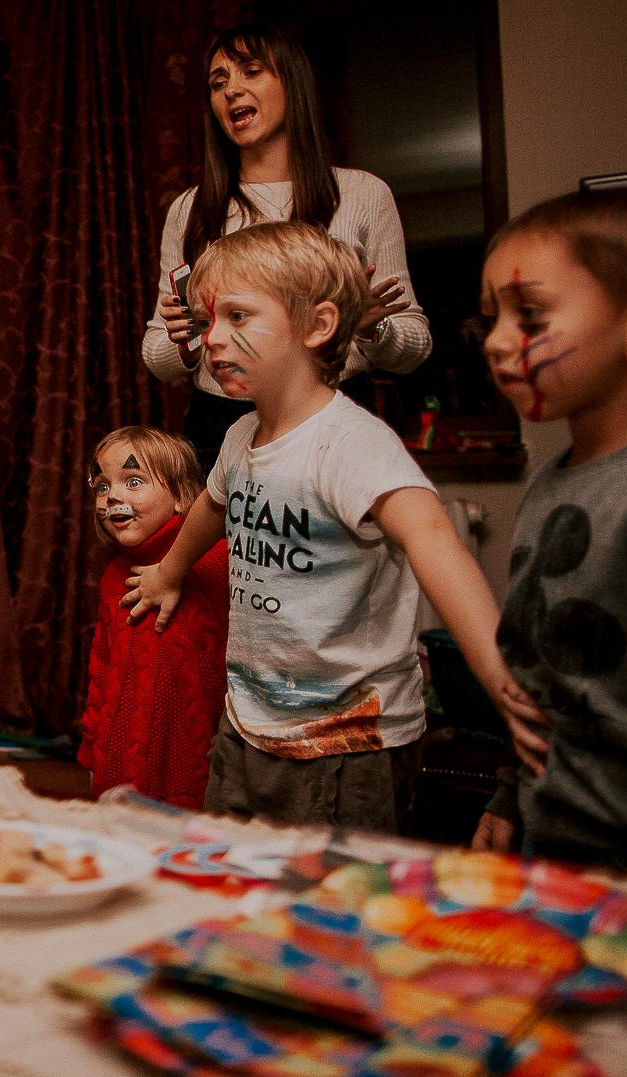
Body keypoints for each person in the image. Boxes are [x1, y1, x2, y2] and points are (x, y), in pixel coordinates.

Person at [124, 222, 543, 833]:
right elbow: (215, 505)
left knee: (332, 911)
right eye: (208, 321)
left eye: (237, 316)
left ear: (316, 327)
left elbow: (433, 540)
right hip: (247, 727)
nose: (213, 339)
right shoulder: (240, 437)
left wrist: (501, 681)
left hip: (350, 747)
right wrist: (169, 572)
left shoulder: (352, 443)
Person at [470, 190, 627, 879]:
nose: (494, 340)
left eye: (530, 316)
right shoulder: (549, 484)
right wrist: (509, 796)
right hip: (552, 848)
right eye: (493, 319)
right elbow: (537, 674)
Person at [142, 23, 431, 473]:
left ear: (291, 85)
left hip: (331, 417)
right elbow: (157, 354)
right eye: (218, 83)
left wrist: (373, 330)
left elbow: (414, 347)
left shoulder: (363, 195)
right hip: (219, 425)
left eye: (251, 72)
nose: (231, 91)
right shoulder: (190, 209)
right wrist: (183, 343)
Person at [78, 426, 228, 808]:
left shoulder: (216, 561)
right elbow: (102, 666)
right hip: (118, 770)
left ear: (181, 496)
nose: (113, 496)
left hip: (190, 775)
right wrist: (93, 753)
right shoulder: (115, 575)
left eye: (133, 481)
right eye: (102, 486)